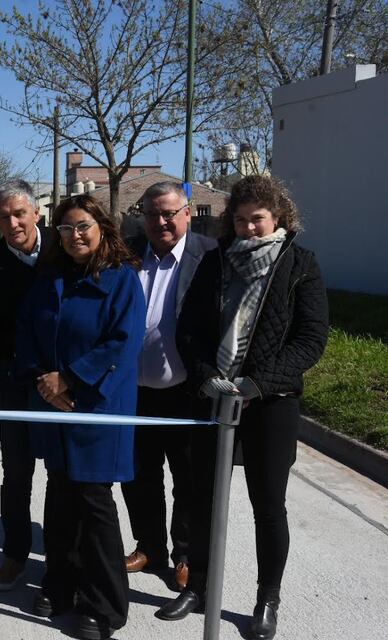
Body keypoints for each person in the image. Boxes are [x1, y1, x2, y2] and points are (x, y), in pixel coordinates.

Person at [156, 176, 329, 640]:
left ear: (279, 219)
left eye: (258, 219)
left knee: (268, 505)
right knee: (202, 498)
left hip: (270, 402)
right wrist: (205, 376)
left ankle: (266, 599)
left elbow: (311, 340)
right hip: (213, 396)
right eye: (240, 220)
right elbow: (187, 329)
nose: (249, 228)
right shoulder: (216, 263)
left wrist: (259, 383)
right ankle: (201, 587)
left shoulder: (300, 266)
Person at [14, 194, 145, 640]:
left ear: (103, 227)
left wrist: (69, 379)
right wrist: (44, 382)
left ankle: (104, 604)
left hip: (97, 405)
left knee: (93, 502)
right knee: (60, 495)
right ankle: (60, 583)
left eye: (84, 226)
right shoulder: (47, 278)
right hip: (52, 404)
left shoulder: (123, 280)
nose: (75, 236)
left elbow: (122, 344)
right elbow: (27, 332)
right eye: (66, 229)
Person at [120, 182, 216, 590]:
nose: (160, 221)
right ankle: (149, 545)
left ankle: (184, 553)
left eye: (169, 214)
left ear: (188, 213)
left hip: (186, 391)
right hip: (134, 389)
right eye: (151, 213)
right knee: (139, 474)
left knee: (188, 478)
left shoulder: (210, 256)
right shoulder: (127, 254)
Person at [0, 179, 50, 603]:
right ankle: (15, 554)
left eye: (20, 213)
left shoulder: (64, 248)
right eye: (4, 217)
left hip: (61, 384)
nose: (14, 223)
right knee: (16, 474)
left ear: (36, 213)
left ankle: (59, 562)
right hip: (16, 381)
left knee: (63, 475)